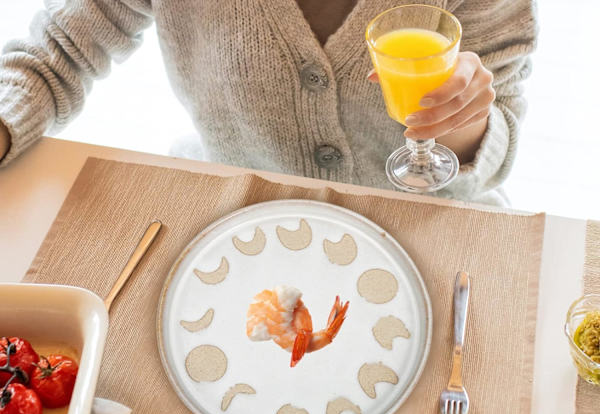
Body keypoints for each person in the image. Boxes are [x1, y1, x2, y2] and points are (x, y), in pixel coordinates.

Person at [0, 1, 536, 205]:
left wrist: (464, 124)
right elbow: (56, 54)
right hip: (239, 212)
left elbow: (498, 139)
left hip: (433, 225)